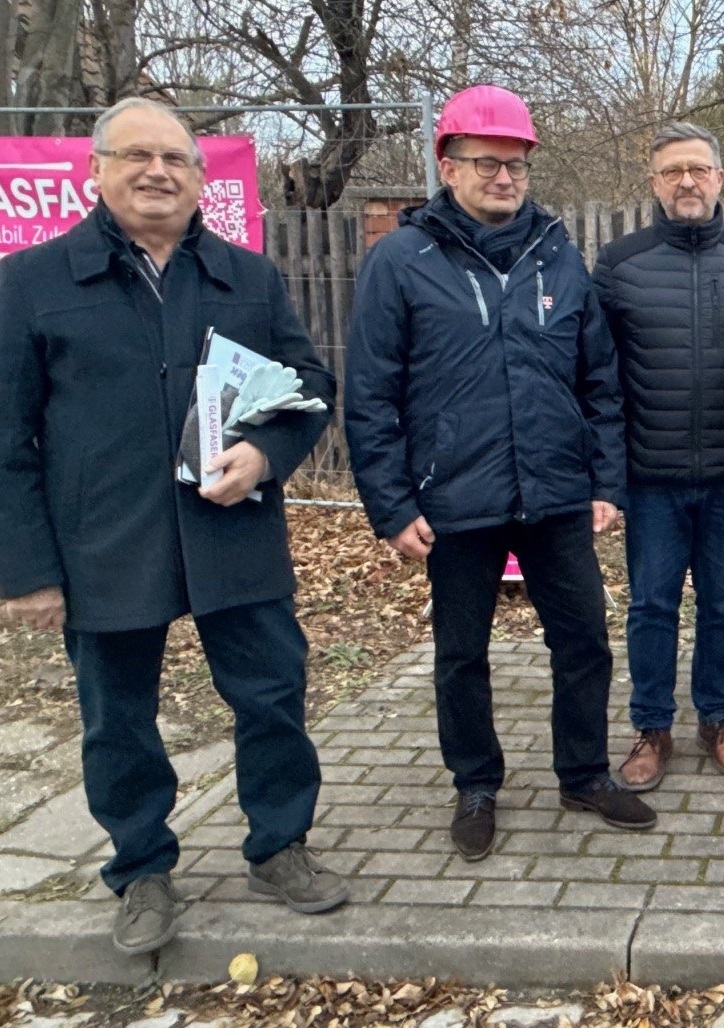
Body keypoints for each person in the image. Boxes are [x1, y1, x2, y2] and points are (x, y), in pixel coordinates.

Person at [0, 98, 348, 955]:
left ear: (201, 179)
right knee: (117, 718)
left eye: (175, 160)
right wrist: (26, 571)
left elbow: (307, 386)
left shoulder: (247, 276)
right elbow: (6, 439)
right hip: (102, 542)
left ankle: (280, 845)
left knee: (272, 695)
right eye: (136, 156)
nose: (157, 172)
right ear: (96, 169)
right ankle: (142, 867)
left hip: (232, 531)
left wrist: (265, 456)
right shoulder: (30, 283)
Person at [345, 84, 656, 862]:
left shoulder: (557, 252)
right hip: (454, 499)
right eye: (486, 163)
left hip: (554, 493)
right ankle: (475, 783)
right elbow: (371, 392)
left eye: (516, 164)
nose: (504, 178)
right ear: (446, 166)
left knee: (584, 640)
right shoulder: (400, 261)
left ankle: (582, 773)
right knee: (462, 652)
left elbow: (599, 381)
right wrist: (390, 502)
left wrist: (605, 482)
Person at [591, 123, 724, 791]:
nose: (687, 182)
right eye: (673, 172)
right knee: (651, 606)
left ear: (721, 178)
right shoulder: (619, 263)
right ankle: (651, 726)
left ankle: (718, 719)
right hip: (649, 477)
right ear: (654, 183)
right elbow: (599, 380)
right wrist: (605, 478)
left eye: (698, 169)